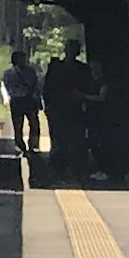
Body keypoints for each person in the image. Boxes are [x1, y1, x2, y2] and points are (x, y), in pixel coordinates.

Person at [42, 45, 95, 180]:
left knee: (77, 137)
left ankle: (77, 167)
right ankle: (59, 167)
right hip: (58, 107)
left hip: (75, 107)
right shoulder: (56, 68)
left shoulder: (82, 69)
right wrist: (47, 105)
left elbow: (88, 85)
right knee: (59, 138)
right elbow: (47, 88)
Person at [4, 45, 44, 158]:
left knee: (34, 124)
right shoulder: (9, 73)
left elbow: (36, 86)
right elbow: (9, 88)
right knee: (18, 125)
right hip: (18, 101)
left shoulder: (31, 71)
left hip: (29, 100)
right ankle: (20, 146)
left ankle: (33, 145)